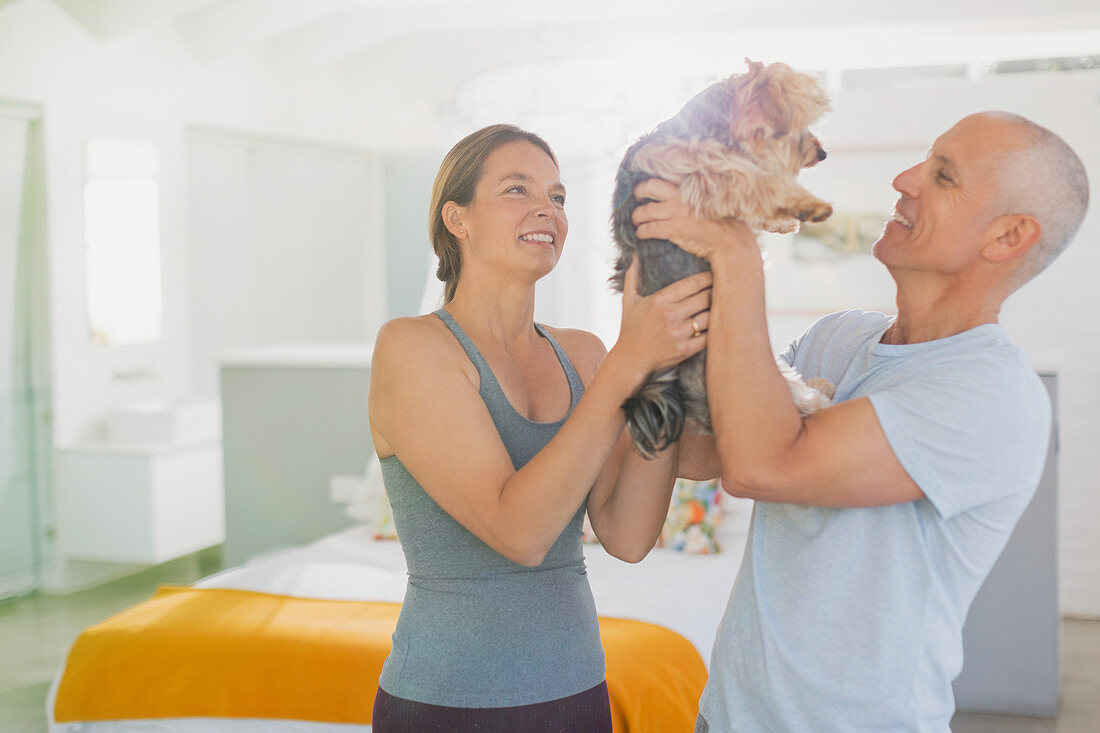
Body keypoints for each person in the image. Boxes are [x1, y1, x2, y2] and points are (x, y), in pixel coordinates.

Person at [630, 111, 1089, 731]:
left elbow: (761, 465)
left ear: (1007, 237)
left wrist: (735, 250)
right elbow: (699, 452)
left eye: (942, 176)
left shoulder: (993, 394)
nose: (904, 179)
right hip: (728, 717)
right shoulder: (838, 337)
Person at [367, 124, 716, 731]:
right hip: (449, 704)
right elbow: (519, 532)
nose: (546, 210)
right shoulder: (414, 347)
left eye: (556, 197)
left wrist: (657, 373)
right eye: (516, 189)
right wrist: (631, 360)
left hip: (579, 694)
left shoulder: (584, 356)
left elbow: (629, 536)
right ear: (458, 218)